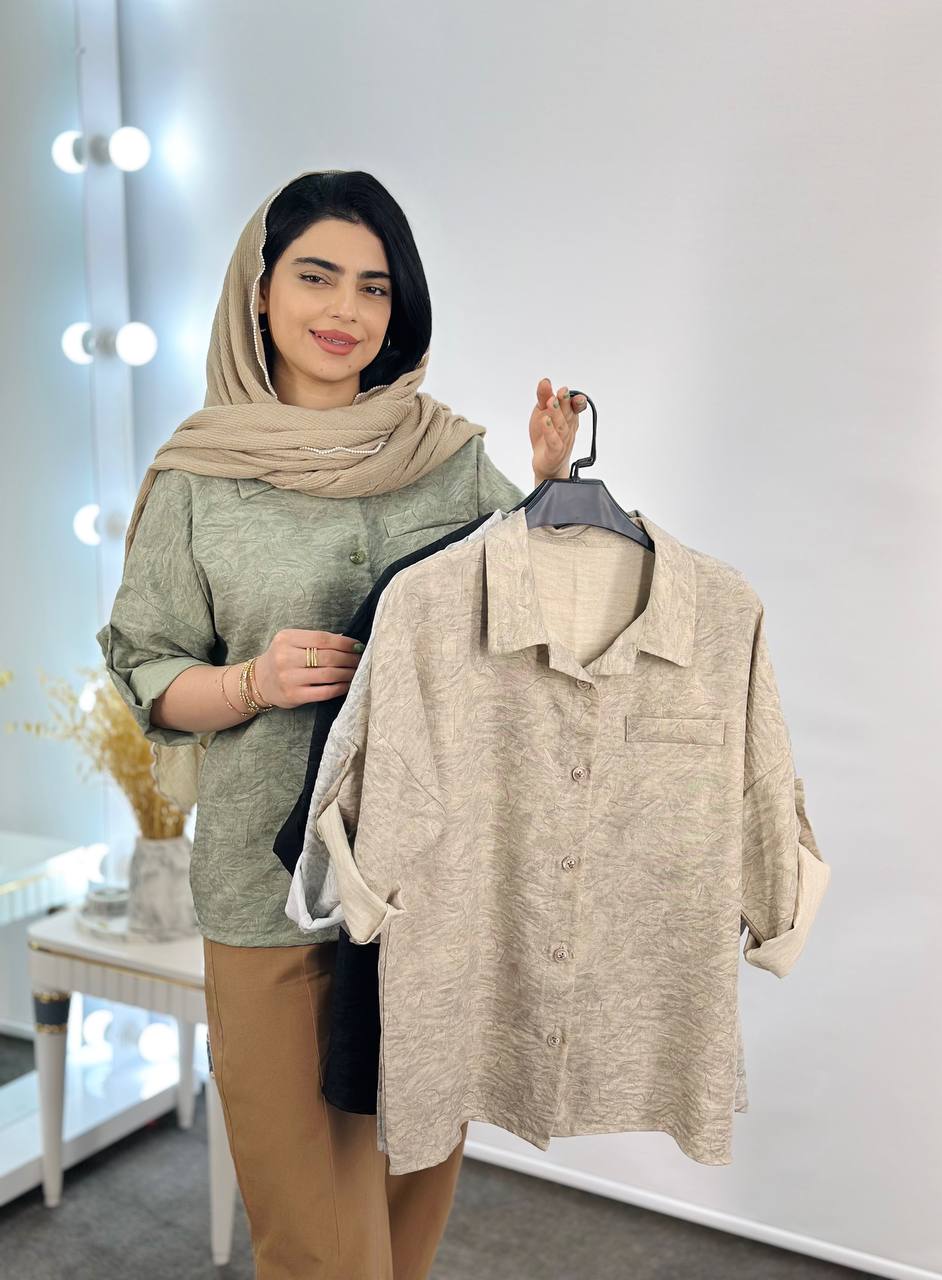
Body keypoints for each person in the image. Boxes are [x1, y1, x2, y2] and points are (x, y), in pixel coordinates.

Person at [96, 168, 586, 1279]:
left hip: (424, 891)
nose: (346, 310)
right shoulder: (199, 476)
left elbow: (529, 623)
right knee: (324, 1248)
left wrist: (548, 491)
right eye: (317, 276)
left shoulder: (446, 457)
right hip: (270, 899)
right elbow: (145, 670)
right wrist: (253, 682)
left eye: (374, 287)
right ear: (259, 290)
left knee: (406, 1223)